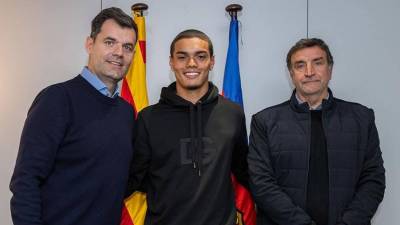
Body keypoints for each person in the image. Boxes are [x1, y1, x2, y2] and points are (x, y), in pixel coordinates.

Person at [10, 7, 138, 225]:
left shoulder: (126, 112)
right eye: (109, 42)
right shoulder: (57, 99)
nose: (119, 52)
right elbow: (26, 181)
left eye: (127, 47)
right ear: (90, 44)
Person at [248, 38, 385, 225]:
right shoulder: (264, 122)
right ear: (291, 74)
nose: (309, 72)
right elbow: (261, 184)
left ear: (330, 69)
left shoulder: (361, 118)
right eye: (300, 65)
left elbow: (373, 179)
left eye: (318, 63)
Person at [128, 29, 249, 225]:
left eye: (200, 57)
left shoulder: (232, 113)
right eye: (182, 57)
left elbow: (244, 171)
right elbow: (135, 179)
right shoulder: (148, 118)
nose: (191, 64)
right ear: (171, 62)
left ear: (212, 61)